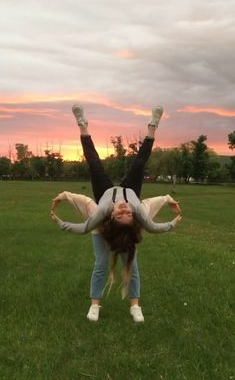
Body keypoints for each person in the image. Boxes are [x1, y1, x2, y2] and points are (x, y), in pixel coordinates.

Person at [51, 104, 182, 321]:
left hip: (104, 192)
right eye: (127, 214)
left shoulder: (103, 211)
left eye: (120, 214)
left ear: (112, 216)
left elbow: (84, 228)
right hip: (130, 189)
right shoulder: (138, 210)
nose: (123, 209)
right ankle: (153, 126)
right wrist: (174, 220)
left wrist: (58, 220)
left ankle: (82, 125)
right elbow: (156, 227)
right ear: (133, 216)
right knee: (139, 163)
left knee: (93, 163)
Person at [52, 191, 181, 322]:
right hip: (101, 231)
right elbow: (84, 204)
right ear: (111, 216)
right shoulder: (99, 213)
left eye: (127, 214)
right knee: (101, 264)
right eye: (120, 215)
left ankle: (135, 306)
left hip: (125, 236)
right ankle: (94, 305)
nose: (124, 211)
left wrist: (167, 201)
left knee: (131, 267)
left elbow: (151, 215)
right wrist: (64, 197)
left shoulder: (135, 213)